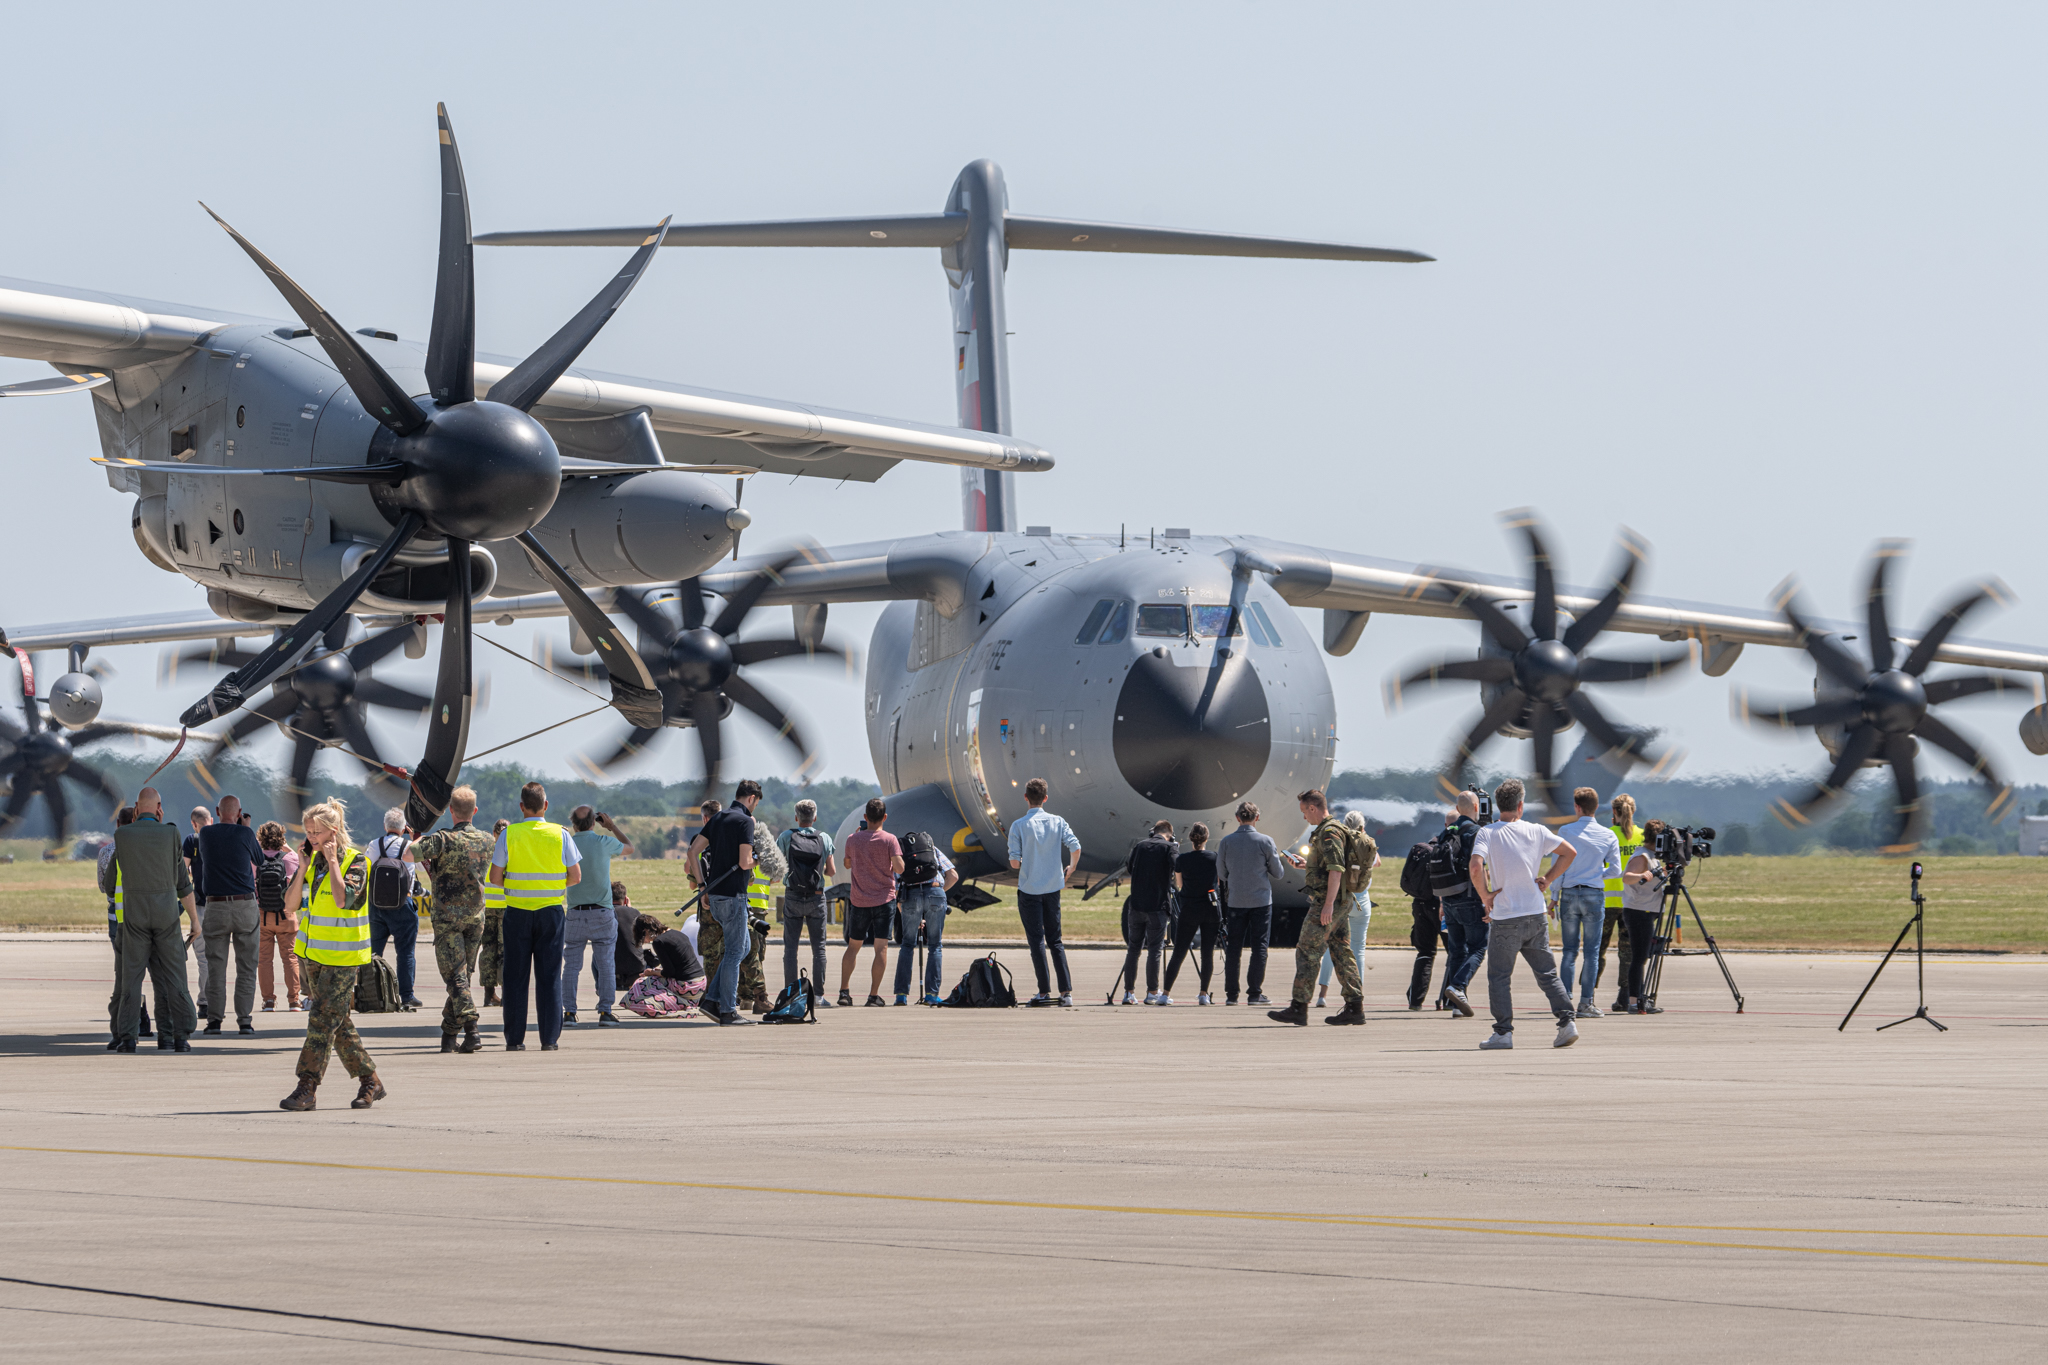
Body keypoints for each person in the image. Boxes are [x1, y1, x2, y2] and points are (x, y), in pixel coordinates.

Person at [278, 798, 385, 1109]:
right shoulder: (314, 864)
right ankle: (370, 1081)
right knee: (339, 1024)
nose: (312, 838)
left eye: (318, 832)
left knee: (322, 1022)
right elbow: (290, 904)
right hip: (314, 956)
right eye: (309, 832)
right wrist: (303, 868)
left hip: (343, 958)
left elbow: (343, 900)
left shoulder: (357, 862)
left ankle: (306, 1087)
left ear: (334, 832)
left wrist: (334, 861)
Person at [1471, 778, 1580, 1050]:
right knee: (1547, 974)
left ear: (1499, 806)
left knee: (1499, 976)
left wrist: (1485, 895)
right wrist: (1549, 878)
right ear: (1520, 805)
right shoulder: (1537, 830)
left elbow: (1475, 867)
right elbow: (1569, 852)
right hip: (1535, 914)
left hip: (1506, 916)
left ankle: (1503, 1032)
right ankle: (1567, 1022)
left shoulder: (1488, 833)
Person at [489, 782, 582, 1051]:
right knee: (550, 976)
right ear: (546, 806)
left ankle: (515, 1040)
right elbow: (576, 876)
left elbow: (495, 877)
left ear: (521, 807)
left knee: (515, 978)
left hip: (517, 912)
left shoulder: (509, 834)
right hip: (551, 912)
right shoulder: (561, 834)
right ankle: (549, 1039)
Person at [404, 786, 497, 1053]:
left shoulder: (442, 840)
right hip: (475, 917)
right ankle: (449, 1035)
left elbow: (408, 854)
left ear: (451, 811)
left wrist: (417, 838)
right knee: (463, 978)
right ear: (475, 811)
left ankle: (472, 1029)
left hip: (447, 920)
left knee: (456, 979)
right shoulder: (487, 841)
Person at [109, 787, 198, 1053]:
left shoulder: (121, 835)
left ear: (136, 809)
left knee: (131, 979)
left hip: (134, 917)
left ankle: (127, 1038)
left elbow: (109, 882)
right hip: (166, 916)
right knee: (172, 977)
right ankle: (176, 1037)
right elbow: (183, 882)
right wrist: (195, 920)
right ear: (159, 808)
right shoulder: (171, 833)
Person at [1272, 789, 1368, 1026]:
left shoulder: (1329, 832)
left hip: (1330, 901)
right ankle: (1355, 1008)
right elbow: (1330, 867)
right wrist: (1307, 865)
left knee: (1307, 950)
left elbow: (1337, 869)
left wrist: (1327, 906)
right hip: (1340, 901)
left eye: (1305, 811)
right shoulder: (1332, 829)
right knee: (1341, 951)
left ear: (1313, 808)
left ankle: (1298, 1007)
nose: (1304, 817)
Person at [687, 779, 761, 1025]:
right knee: (734, 952)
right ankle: (728, 1010)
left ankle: (711, 1000)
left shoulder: (717, 818)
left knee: (744, 947)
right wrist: (758, 859)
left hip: (714, 895)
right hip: (733, 896)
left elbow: (692, 851)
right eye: (756, 803)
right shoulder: (745, 821)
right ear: (751, 798)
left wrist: (701, 884)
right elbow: (744, 862)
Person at [1007, 777, 1080, 1007]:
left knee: (1036, 940)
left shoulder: (1018, 825)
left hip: (1029, 889)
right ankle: (1066, 991)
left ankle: (1043, 991)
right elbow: (1075, 847)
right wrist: (1070, 868)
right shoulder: (1058, 821)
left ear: (1026, 797)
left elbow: (1014, 864)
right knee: (1055, 940)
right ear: (1045, 798)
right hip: (1052, 887)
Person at [195, 793, 264, 1036]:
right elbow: (259, 859)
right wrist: (246, 828)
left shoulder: (205, 834)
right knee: (246, 966)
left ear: (216, 811)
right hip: (244, 904)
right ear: (239, 812)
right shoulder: (244, 833)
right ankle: (244, 1020)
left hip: (215, 905)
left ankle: (214, 1021)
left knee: (215, 966)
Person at [1553, 787, 1623, 1019]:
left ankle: (1564, 1002)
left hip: (1570, 893)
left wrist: (1553, 897)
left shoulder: (1565, 831)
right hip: (1594, 893)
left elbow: (1558, 868)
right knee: (1592, 952)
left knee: (1569, 951)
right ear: (1596, 807)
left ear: (1577, 807)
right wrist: (1596, 873)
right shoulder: (1608, 834)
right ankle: (1586, 1003)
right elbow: (1615, 870)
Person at [562, 805, 634, 1027]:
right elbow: (629, 847)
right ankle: (605, 1011)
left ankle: (569, 1013)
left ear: (574, 824)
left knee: (572, 966)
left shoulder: (568, 843)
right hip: (601, 912)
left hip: (575, 912)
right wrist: (611, 827)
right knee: (605, 965)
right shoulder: (604, 842)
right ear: (594, 822)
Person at [1216, 801, 1283, 1006]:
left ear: (1237, 818)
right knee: (1259, 947)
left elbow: (1221, 874)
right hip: (1261, 901)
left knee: (1234, 948)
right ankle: (1254, 993)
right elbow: (1278, 873)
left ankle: (1231, 995)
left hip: (1236, 901)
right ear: (1257, 818)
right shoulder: (1265, 841)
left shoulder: (1226, 842)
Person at [837, 796, 901, 1009]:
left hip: (860, 900)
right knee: (880, 948)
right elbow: (900, 868)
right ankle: (873, 996)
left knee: (853, 946)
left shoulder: (852, 839)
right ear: (884, 817)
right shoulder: (890, 839)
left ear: (865, 817)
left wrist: (856, 838)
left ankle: (844, 992)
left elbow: (847, 864)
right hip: (884, 900)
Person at [97, 805, 153, 1044]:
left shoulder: (108, 851)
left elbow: (104, 886)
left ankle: (124, 1028)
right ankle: (156, 1025)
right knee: (158, 972)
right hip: (148, 915)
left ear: (118, 825)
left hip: (117, 919)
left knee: (124, 974)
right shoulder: (150, 847)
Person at [1316, 810, 1381, 1009]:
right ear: (1362, 826)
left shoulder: (1340, 841)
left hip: (1342, 899)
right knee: (1358, 949)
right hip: (1362, 900)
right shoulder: (1367, 841)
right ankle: (1357, 995)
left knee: (1331, 946)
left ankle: (1322, 995)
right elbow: (1377, 862)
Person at [776, 799, 837, 1006]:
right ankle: (818, 996)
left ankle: (792, 995)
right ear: (815, 817)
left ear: (796, 817)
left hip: (792, 895)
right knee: (818, 948)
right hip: (816, 896)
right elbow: (831, 871)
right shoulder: (824, 838)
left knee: (790, 949)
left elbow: (778, 865)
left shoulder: (786, 836)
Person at [892, 830, 958, 1005]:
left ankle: (901, 995)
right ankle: (931, 994)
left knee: (907, 944)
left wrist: (905, 910)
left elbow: (896, 886)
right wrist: (938, 894)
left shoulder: (900, 853)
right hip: (935, 891)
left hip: (910, 895)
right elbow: (953, 875)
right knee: (935, 945)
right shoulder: (933, 850)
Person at [1438, 793, 1488, 1018]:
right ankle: (1457, 986)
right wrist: (1486, 898)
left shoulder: (1446, 831)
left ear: (1458, 808)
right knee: (1478, 947)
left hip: (1448, 898)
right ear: (1477, 806)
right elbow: (1479, 868)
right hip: (1470, 898)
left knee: (1457, 950)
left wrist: (1442, 902)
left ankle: (1456, 1005)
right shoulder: (1476, 832)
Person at [367, 808, 423, 1009]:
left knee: (374, 951)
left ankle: (371, 992)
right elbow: (423, 867)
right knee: (406, 952)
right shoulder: (409, 846)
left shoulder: (375, 845)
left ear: (385, 826)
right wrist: (413, 837)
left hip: (377, 905)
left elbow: (365, 869)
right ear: (403, 828)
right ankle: (406, 995)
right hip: (403, 904)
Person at [1120, 820, 1179, 1005]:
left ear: (1154, 832)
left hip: (1136, 905)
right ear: (1169, 834)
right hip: (1157, 906)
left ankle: (1129, 993)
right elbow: (1178, 867)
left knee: (1133, 949)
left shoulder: (1139, 846)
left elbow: (1129, 867)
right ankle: (1152, 991)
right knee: (1155, 949)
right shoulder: (1169, 847)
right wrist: (1175, 849)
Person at [1163, 822, 1221, 1005]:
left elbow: (1179, 885)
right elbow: (1218, 883)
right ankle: (1203, 994)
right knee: (1207, 953)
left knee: (1179, 952)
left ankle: (1165, 993)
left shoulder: (1182, 859)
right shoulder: (1214, 858)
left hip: (1189, 908)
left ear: (1191, 838)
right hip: (1210, 909)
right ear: (1206, 838)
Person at [1601, 793, 1647, 1012]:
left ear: (1614, 813)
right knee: (1627, 952)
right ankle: (1624, 996)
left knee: (1597, 950)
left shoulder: (1607, 835)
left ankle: (1587, 997)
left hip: (1607, 901)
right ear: (1633, 811)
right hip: (1632, 901)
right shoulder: (1642, 836)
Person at [1619, 820, 1669, 1014]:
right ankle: (1634, 1002)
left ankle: (1639, 999)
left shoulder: (1651, 856)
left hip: (1646, 911)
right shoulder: (1642, 857)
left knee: (1642, 956)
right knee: (1639, 957)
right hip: (1639, 912)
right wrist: (1643, 876)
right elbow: (1627, 876)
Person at [739, 820, 788, 1013]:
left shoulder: (742, 848)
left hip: (745, 905)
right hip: (758, 907)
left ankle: (744, 997)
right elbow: (777, 877)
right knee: (756, 954)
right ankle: (750, 996)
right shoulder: (767, 851)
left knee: (743, 952)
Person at [254, 820, 301, 1013]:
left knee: (264, 959)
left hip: (262, 915)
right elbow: (300, 862)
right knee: (290, 957)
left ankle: (268, 1001)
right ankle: (294, 1001)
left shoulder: (254, 860)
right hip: (287, 914)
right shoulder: (290, 858)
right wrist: (287, 847)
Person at [622, 913, 709, 1019]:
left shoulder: (659, 942)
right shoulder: (677, 933)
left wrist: (652, 972)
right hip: (700, 983)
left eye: (641, 937)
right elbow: (680, 965)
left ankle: (684, 1006)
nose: (644, 941)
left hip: (687, 986)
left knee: (643, 983)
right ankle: (683, 1003)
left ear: (645, 931)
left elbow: (669, 972)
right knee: (653, 979)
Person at [183, 805, 210, 1019]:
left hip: (200, 903)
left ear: (194, 824)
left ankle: (205, 1002)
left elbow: (182, 871)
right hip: (222, 903)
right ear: (211, 820)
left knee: (202, 956)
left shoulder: (192, 841)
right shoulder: (222, 837)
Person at [481, 817, 510, 1006]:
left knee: (488, 951)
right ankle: (506, 993)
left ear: (493, 834)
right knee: (505, 951)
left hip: (486, 907)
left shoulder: (485, 851)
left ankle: (489, 994)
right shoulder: (510, 850)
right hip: (505, 907)